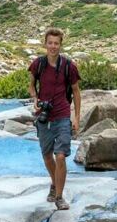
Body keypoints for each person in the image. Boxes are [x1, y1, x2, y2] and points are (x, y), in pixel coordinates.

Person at [28, 27, 81, 211]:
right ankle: (54, 183)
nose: (53, 46)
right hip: (44, 116)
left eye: (56, 43)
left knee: (60, 156)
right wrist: (35, 100)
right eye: (50, 43)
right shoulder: (38, 64)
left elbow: (76, 91)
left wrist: (77, 117)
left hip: (62, 115)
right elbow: (31, 86)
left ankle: (59, 197)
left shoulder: (69, 66)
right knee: (46, 156)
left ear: (60, 45)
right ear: (45, 43)